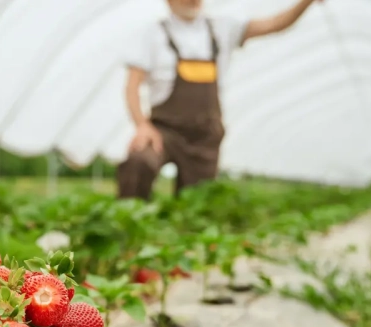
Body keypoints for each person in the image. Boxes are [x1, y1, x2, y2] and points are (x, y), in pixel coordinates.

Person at [117, 0, 323, 200]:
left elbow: (276, 23)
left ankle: (182, 231)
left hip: (204, 136)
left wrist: (306, 2)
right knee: (140, 161)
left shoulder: (222, 28)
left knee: (198, 201)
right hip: (164, 131)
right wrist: (142, 125)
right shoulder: (152, 34)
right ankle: (129, 218)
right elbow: (132, 87)